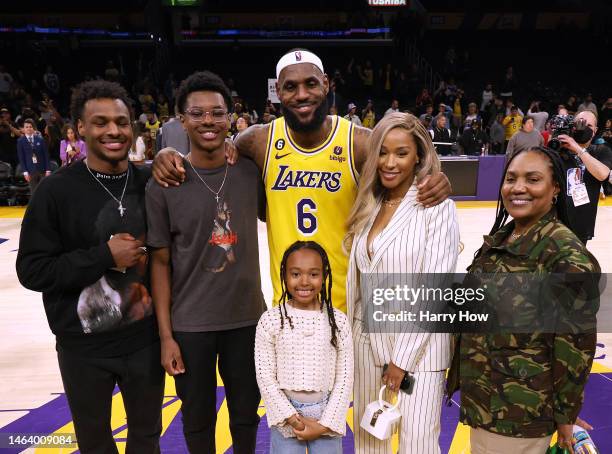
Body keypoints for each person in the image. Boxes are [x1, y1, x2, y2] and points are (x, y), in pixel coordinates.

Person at [152, 49, 451, 313]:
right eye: (290, 87)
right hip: (287, 305)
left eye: (310, 83)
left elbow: (404, 163)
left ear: (326, 85)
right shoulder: (256, 141)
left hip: (347, 304)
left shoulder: (358, 142)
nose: (302, 94)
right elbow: (210, 151)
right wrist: (169, 152)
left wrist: (434, 178)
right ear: (278, 93)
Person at [15, 80, 164, 453]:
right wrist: (104, 256)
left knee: (147, 439)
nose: (113, 131)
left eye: (122, 121)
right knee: (95, 443)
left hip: (145, 342)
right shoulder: (55, 191)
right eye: (100, 122)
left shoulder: (150, 181)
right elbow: (32, 270)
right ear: (80, 128)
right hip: (83, 348)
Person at [446, 146, 599, 453]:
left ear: (555, 188)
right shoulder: (504, 238)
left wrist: (565, 413)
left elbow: (575, 346)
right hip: (486, 403)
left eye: (533, 179)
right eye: (511, 178)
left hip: (518, 415)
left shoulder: (565, 256)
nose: (518, 188)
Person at [146, 71, 265, 453]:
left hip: (248, 320)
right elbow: (160, 264)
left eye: (217, 113)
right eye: (197, 114)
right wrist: (166, 337)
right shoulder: (164, 183)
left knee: (246, 414)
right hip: (190, 325)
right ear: (181, 119)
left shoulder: (250, 170)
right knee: (197, 421)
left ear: (231, 117)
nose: (208, 121)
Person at [345, 112, 459, 453]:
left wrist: (401, 362)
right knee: (369, 443)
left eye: (401, 153)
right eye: (382, 151)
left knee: (417, 444)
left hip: (419, 353)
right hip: (367, 345)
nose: (389, 162)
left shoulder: (437, 208)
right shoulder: (369, 204)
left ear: (419, 157)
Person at [255, 241, 352, 454]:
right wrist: (293, 419)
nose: (304, 282)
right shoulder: (271, 320)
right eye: (296, 274)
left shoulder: (338, 321)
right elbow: (265, 376)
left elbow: (344, 379)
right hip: (286, 417)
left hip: (326, 414)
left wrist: (325, 424)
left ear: (325, 275)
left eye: (313, 274)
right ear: (284, 275)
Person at [556, 110, 612, 244]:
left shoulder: (600, 151)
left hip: (580, 226)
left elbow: (603, 174)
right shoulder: (558, 149)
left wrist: (577, 149)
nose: (584, 128)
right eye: (580, 123)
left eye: (589, 126)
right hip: (552, 224)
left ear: (595, 130)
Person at [16, 118, 51, 193]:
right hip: (30, 171)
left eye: (30, 126)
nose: (29, 128)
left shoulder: (40, 139)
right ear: (23, 129)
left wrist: (48, 170)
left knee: (44, 192)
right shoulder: (20, 141)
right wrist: (25, 172)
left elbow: (46, 156)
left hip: (42, 170)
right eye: (26, 127)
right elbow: (21, 158)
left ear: (33, 128)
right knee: (34, 193)